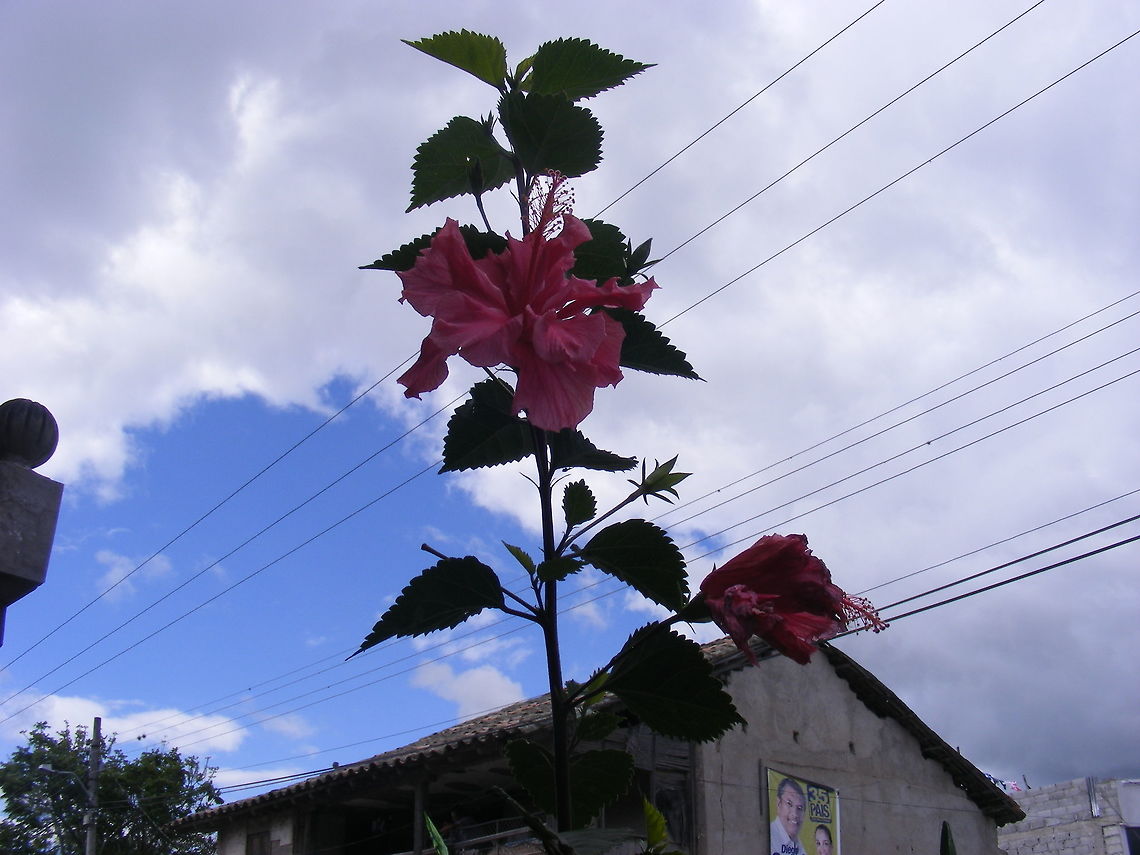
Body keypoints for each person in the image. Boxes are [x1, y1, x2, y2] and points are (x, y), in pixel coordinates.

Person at [770, 777, 806, 855]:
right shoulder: (770, 837)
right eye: (789, 804)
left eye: (799, 808)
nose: (795, 814)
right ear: (779, 804)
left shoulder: (798, 845)